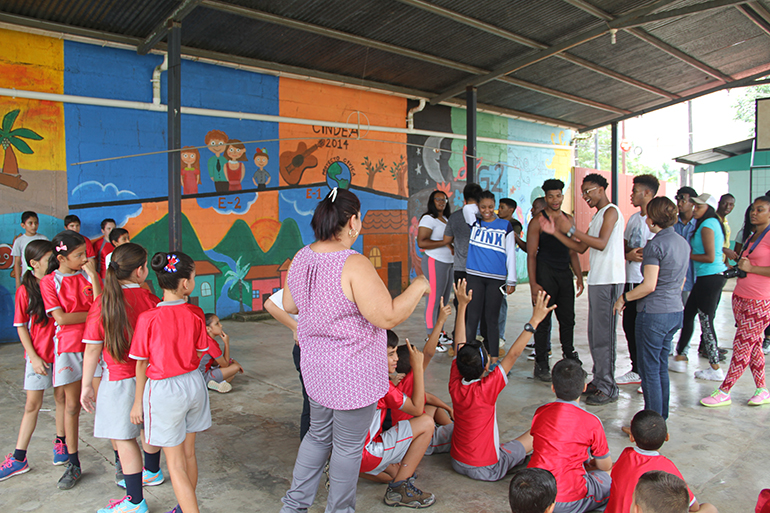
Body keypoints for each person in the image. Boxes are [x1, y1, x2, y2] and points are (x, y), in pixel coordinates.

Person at [279, 188, 430, 513]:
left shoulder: (303, 256)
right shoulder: (353, 263)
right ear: (351, 221)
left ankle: (293, 506)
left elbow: (290, 304)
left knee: (318, 437)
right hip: (352, 376)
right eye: (358, 216)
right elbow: (387, 315)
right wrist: (418, 285)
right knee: (347, 448)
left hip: (316, 369)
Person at [81, 243, 164, 513]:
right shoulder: (151, 301)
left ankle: (135, 501)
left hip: (117, 381)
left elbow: (92, 347)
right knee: (147, 428)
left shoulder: (102, 301)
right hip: (151, 378)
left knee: (124, 439)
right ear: (141, 271)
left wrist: (86, 386)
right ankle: (152, 471)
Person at [129, 252, 212, 513]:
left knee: (174, 463)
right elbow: (201, 352)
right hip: (194, 384)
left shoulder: (148, 318)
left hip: (164, 390)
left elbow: (141, 363)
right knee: (189, 455)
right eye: (194, 277)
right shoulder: (196, 312)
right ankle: (183, 506)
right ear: (185, 284)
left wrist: (137, 403)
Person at [451, 283, 554, 482]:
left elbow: (459, 347)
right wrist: (535, 319)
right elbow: (514, 354)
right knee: (540, 430)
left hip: (457, 461)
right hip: (486, 468)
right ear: (484, 367)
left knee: (506, 445)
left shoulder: (455, 381)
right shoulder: (487, 388)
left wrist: (462, 306)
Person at [540, 174, 625, 405]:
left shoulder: (611, 211)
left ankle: (609, 387)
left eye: (589, 191)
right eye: (583, 192)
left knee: (605, 336)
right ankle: (599, 380)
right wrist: (555, 232)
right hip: (598, 281)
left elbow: (601, 243)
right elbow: (580, 247)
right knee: (595, 335)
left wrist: (570, 228)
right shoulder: (598, 216)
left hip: (610, 280)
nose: (585, 196)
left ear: (601, 189)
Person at [613, 197, 689, 419]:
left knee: (649, 372)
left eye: (648, 217)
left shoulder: (655, 245)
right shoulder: (682, 243)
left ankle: (651, 426)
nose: (645, 220)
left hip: (654, 315)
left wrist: (624, 298)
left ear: (654, 219)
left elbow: (648, 285)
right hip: (675, 311)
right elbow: (681, 281)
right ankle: (660, 420)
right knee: (660, 367)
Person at [40, 230, 102, 489]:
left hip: (95, 346)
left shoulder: (87, 277)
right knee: (72, 406)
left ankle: (121, 459)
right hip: (67, 348)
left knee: (105, 404)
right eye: (78, 255)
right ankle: (73, 463)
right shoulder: (48, 282)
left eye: (86, 254)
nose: (84, 259)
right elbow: (61, 319)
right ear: (62, 257)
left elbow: (102, 304)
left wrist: (94, 278)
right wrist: (91, 314)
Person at [0, 240, 66, 481]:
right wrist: (34, 357)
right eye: (49, 258)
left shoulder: (57, 283)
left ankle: (62, 443)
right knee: (32, 405)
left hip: (61, 353)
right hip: (38, 356)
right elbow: (21, 328)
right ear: (33, 263)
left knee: (62, 398)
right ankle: (19, 458)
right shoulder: (25, 291)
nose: (53, 262)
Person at [701, 196, 770, 407]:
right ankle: (762, 389)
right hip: (741, 296)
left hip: (759, 300)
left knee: (741, 345)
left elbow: (757, 267)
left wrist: (752, 269)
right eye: (753, 209)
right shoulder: (752, 235)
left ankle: (724, 390)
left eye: (760, 210)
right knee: (754, 344)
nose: (754, 213)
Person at [358, 336, 436, 508]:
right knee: (426, 422)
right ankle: (399, 491)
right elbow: (417, 408)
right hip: (366, 453)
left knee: (394, 473)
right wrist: (417, 369)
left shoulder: (356, 373)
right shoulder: (382, 386)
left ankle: (342, 469)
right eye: (391, 354)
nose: (396, 359)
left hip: (343, 451)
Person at [528, 358, 612, 512]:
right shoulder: (592, 421)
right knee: (610, 479)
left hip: (534, 493)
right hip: (568, 499)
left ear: (553, 388)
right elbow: (605, 465)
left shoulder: (540, 412)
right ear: (584, 388)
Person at [526, 179, 584, 382]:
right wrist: (533, 284)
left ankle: (569, 358)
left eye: (558, 195)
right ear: (545, 197)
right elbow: (531, 254)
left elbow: (573, 250)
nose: (555, 200)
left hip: (564, 274)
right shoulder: (537, 222)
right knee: (543, 321)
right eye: (551, 196)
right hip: (544, 273)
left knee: (568, 319)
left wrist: (578, 275)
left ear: (562, 195)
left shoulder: (568, 219)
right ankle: (541, 363)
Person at [605, 410, 717, 513]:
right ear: (667, 437)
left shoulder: (626, 454)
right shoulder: (667, 466)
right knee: (709, 508)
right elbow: (693, 506)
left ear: (632, 437)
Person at [671, 194, 727, 381]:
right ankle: (680, 355)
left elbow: (710, 257)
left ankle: (715, 366)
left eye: (698, 206)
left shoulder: (707, 225)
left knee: (706, 322)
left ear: (708, 208)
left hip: (710, 278)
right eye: (693, 205)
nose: (694, 209)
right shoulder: (706, 224)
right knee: (688, 314)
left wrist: (686, 253)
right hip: (704, 278)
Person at [390, 298, 454, 452]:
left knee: (433, 407)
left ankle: (451, 426)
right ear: (414, 364)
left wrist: (449, 409)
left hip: (402, 432)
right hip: (419, 440)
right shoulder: (411, 377)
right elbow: (429, 352)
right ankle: (453, 431)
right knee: (462, 434)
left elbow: (428, 397)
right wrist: (440, 321)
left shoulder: (397, 382)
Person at [463, 190, 517, 366]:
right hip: (475, 276)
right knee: (472, 317)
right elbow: (467, 209)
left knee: (492, 319)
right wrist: (479, 209)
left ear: (495, 207)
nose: (487, 210)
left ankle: (493, 357)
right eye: (483, 207)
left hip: (496, 278)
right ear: (478, 207)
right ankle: (470, 357)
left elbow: (510, 254)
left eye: (491, 207)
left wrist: (512, 280)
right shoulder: (474, 222)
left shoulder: (505, 226)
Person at [619, 174, 659, 387]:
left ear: (647, 193)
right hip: (630, 279)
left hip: (645, 283)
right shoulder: (635, 218)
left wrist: (634, 253)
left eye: (635, 191)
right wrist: (628, 254)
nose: (631, 195)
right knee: (629, 325)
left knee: (643, 329)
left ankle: (645, 373)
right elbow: (624, 246)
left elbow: (649, 252)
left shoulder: (653, 221)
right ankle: (637, 369)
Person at [264, 288, 308, 439]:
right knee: (314, 405)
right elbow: (270, 304)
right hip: (308, 350)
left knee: (318, 406)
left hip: (320, 351)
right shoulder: (305, 280)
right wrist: (296, 328)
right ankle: (314, 456)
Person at [443, 183, 482, 335]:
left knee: (461, 304)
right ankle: (476, 337)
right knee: (479, 303)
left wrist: (453, 248)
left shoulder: (455, 216)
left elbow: (447, 239)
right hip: (480, 268)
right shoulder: (486, 216)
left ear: (464, 198)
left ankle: (457, 339)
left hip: (461, 268)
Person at [418, 190, 453, 350]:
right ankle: (430, 336)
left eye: (444, 199)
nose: (441, 202)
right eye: (438, 199)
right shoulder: (428, 219)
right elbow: (422, 242)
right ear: (432, 201)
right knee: (433, 300)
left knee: (443, 300)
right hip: (434, 261)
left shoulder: (446, 219)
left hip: (448, 263)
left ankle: (440, 332)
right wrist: (445, 242)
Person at [497, 198, 523, 351]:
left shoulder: (514, 225)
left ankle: (500, 336)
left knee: (500, 303)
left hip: (504, 269)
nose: (498, 210)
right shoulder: (496, 222)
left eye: (502, 207)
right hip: (493, 268)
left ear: (511, 210)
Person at [201, 314, 244, 393]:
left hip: (196, 376)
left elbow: (214, 363)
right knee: (235, 367)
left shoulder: (203, 339)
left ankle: (213, 384)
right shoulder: (211, 344)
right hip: (203, 377)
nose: (221, 325)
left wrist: (232, 360)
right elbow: (225, 365)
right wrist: (226, 344)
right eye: (217, 324)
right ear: (208, 329)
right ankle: (209, 383)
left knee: (231, 374)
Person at [11, 211, 48, 289]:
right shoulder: (19, 241)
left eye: (36, 223)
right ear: (23, 225)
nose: (34, 226)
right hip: (26, 277)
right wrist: (18, 282)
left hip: (42, 277)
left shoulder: (43, 239)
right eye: (30, 223)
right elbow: (17, 263)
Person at [717, 194, 737, 262]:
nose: (727, 207)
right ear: (719, 204)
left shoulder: (726, 224)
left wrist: (727, 264)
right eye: (724, 203)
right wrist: (724, 249)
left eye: (731, 205)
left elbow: (726, 249)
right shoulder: (712, 221)